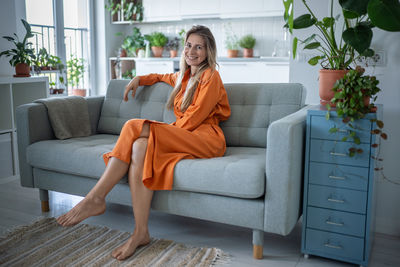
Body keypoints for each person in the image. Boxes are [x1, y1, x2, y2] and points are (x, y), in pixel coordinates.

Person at [56, 25, 231, 261]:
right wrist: (139, 78)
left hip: (205, 138)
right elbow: (161, 77)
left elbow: (195, 119)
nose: (192, 51)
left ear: (208, 51)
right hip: (186, 135)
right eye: (188, 45)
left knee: (132, 126)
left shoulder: (211, 76)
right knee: (139, 147)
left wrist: (163, 133)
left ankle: (95, 198)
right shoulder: (184, 76)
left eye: (199, 47)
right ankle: (141, 232)